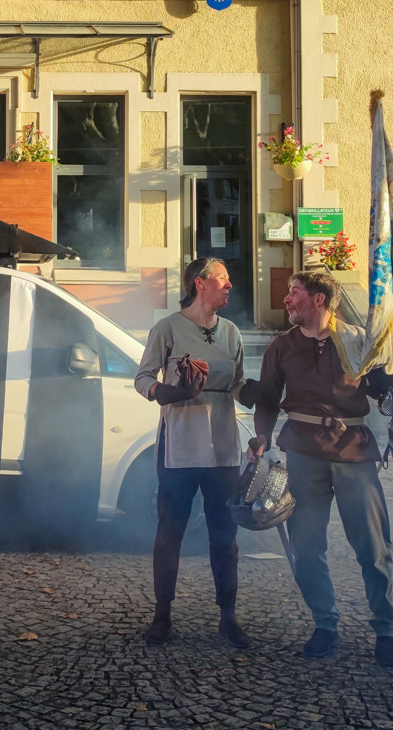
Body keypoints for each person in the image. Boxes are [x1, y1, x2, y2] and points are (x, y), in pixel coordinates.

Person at [251, 270, 393, 668]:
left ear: (319, 300)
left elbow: (385, 389)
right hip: (303, 453)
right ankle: (325, 624)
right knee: (306, 545)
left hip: (353, 452)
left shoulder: (357, 341)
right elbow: (266, 398)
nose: (287, 301)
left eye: (294, 293)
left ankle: (386, 628)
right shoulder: (281, 347)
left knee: (372, 546)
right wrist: (261, 438)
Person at [134, 257, 251, 647]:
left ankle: (228, 618)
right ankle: (162, 615)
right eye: (223, 279)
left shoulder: (231, 332)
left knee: (225, 536)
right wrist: (166, 393)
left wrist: (265, 394)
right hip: (180, 445)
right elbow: (143, 378)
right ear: (199, 284)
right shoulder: (167, 328)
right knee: (171, 532)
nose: (229, 286)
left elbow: (237, 385)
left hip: (223, 449)